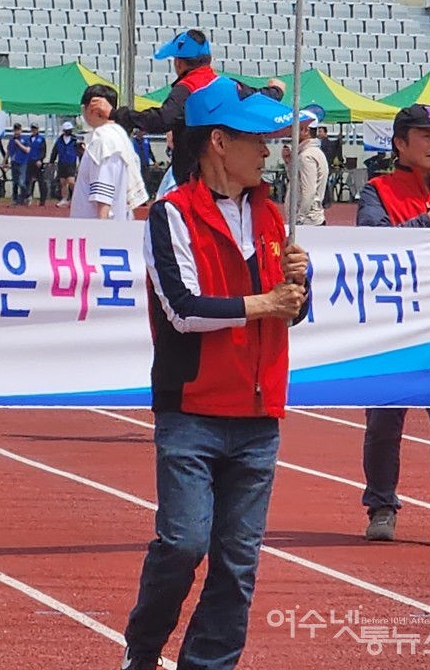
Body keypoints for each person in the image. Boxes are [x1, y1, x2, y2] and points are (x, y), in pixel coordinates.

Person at [121, 76, 308, 670]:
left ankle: (208, 664)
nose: (269, 150)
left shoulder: (273, 216)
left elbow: (292, 310)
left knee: (238, 563)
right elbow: (182, 309)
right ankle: (143, 648)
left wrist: (299, 289)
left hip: (259, 413)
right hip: (192, 410)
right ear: (219, 143)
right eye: (257, 139)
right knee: (183, 543)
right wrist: (267, 302)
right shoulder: (172, 214)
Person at [356, 103, 430, 547]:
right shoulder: (377, 191)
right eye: (426, 136)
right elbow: (369, 246)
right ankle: (381, 504)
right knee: (384, 422)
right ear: (400, 144)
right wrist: (426, 222)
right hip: (393, 329)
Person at [112, 30, 285, 191]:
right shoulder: (229, 86)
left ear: (178, 63)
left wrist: (121, 115)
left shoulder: (186, 88)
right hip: (224, 176)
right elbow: (259, 98)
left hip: (194, 178)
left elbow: (164, 119)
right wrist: (276, 90)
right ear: (208, 59)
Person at [70, 85, 147, 221]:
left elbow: (103, 194)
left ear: (93, 108)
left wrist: (102, 228)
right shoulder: (121, 138)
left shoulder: (103, 140)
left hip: (94, 227)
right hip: (116, 222)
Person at [280, 111, 329, 226]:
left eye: (293, 128)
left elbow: (308, 191)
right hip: (311, 218)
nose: (290, 132)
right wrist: (289, 163)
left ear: (305, 130)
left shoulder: (306, 156)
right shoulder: (313, 152)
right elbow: (296, 180)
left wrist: (300, 218)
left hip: (308, 220)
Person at [50, 122, 79, 206]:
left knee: (71, 181)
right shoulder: (59, 140)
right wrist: (51, 162)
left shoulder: (75, 140)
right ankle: (64, 199)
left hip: (71, 163)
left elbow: (80, 151)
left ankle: (76, 198)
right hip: (62, 163)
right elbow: (54, 151)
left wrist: (80, 162)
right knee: (63, 182)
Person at [7, 123, 29, 205]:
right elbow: (9, 151)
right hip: (14, 162)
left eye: (18, 130)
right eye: (15, 130)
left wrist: (19, 144)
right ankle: (15, 199)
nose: (16, 132)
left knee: (21, 182)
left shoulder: (25, 139)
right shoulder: (11, 140)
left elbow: (27, 150)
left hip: (22, 162)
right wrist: (5, 161)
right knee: (15, 182)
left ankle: (27, 195)